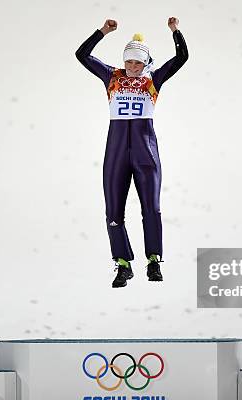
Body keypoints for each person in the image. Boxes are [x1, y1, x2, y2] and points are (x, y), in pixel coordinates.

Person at [76, 17, 188, 288]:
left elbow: (182, 56)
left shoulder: (153, 79)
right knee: (113, 211)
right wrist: (103, 31)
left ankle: (153, 260)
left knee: (151, 207)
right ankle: (123, 264)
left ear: (145, 63)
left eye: (138, 63)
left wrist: (175, 30)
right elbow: (82, 55)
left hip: (145, 151)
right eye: (129, 62)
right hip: (116, 152)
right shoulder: (112, 77)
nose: (133, 67)